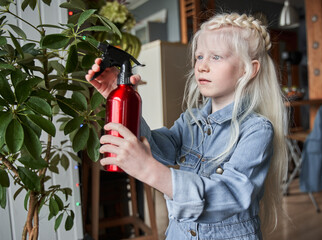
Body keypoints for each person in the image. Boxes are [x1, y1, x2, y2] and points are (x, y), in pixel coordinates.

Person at [85, 12, 287, 240]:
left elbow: (229, 195)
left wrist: (150, 171)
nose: (202, 66)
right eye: (200, 56)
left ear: (248, 70)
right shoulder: (191, 120)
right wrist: (121, 95)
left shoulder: (257, 131)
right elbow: (161, 148)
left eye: (216, 57)